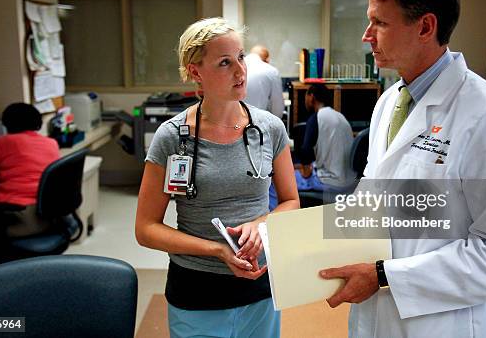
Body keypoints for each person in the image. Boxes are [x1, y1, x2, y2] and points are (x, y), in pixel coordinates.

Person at [319, 0, 486, 338]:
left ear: (425, 26)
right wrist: (296, 244)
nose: (366, 35)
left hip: (438, 324)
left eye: (380, 23)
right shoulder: (389, 103)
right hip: (373, 316)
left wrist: (386, 276)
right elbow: (373, 195)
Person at [135, 18, 299, 338]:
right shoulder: (172, 138)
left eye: (240, 57)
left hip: (260, 283)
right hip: (197, 291)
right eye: (225, 62)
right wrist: (217, 250)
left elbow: (291, 201)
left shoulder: (269, 129)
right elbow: (146, 229)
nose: (240, 71)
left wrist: (262, 225)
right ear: (196, 72)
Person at [0, 102, 60, 313]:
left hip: (17, 218)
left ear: (7, 124)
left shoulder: (6, 142)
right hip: (46, 217)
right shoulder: (51, 143)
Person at [296, 84, 356, 193]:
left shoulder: (316, 118)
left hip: (331, 182)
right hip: (350, 181)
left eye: (306, 96)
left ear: (312, 97)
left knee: (279, 181)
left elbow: (305, 151)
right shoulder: (340, 116)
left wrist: (306, 174)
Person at [243, 45, 285, 118]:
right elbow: (277, 108)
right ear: (267, 60)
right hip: (258, 122)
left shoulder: (237, 67)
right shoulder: (271, 71)